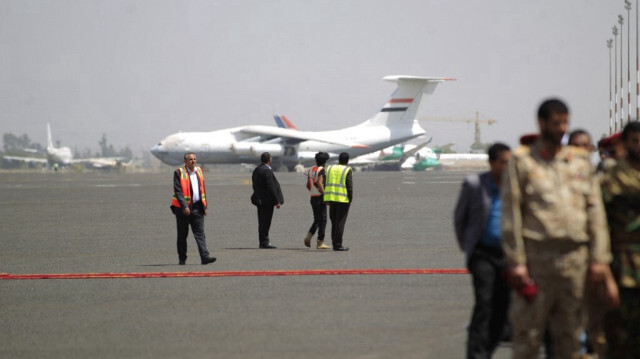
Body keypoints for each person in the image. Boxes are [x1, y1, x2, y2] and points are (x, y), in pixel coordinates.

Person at [501, 99, 612, 359]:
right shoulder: (523, 162)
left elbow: (595, 214)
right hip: (536, 260)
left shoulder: (580, 162)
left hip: (574, 261)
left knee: (570, 338)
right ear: (541, 124)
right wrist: (516, 261)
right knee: (527, 338)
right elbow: (511, 214)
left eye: (565, 123)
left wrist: (600, 259)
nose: (561, 128)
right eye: (555, 123)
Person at [454, 142, 512, 359]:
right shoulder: (474, 184)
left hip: (507, 255)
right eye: (503, 162)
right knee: (484, 302)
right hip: (482, 254)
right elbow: (460, 218)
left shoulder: (516, 186)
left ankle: (486, 350)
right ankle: (475, 355)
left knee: (502, 308)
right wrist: (468, 247)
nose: (507, 167)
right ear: (491, 162)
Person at [601, 121, 640, 358]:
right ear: (625, 144)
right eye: (634, 141)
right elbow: (598, 225)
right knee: (620, 340)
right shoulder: (611, 179)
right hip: (622, 268)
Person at [170, 152, 216, 265]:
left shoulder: (199, 171)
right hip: (182, 210)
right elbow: (178, 191)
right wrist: (184, 206)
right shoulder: (179, 172)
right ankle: (182, 258)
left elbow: (202, 189)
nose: (193, 161)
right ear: (185, 161)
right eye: (190, 159)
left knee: (200, 234)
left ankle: (205, 257)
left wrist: (205, 206)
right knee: (182, 235)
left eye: (195, 159)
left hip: (197, 208)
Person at [251, 152, 284, 249]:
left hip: (259, 200)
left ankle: (262, 241)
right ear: (269, 160)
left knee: (261, 221)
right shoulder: (267, 171)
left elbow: (254, 185)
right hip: (267, 201)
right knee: (266, 222)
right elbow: (271, 187)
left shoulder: (257, 170)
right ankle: (265, 242)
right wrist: (277, 201)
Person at [323, 152, 352, 251]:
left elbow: (325, 182)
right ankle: (338, 244)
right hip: (343, 199)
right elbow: (349, 187)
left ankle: (334, 242)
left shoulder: (330, 168)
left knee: (334, 221)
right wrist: (350, 199)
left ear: (339, 159)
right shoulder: (347, 170)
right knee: (340, 222)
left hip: (331, 199)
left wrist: (326, 198)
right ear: (347, 161)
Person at [304, 152, 331, 249]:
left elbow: (308, 185)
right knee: (323, 220)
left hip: (313, 197)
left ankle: (308, 237)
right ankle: (320, 242)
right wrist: (325, 195)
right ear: (324, 162)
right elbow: (320, 183)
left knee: (317, 219)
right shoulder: (322, 170)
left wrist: (313, 190)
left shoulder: (311, 170)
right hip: (320, 198)